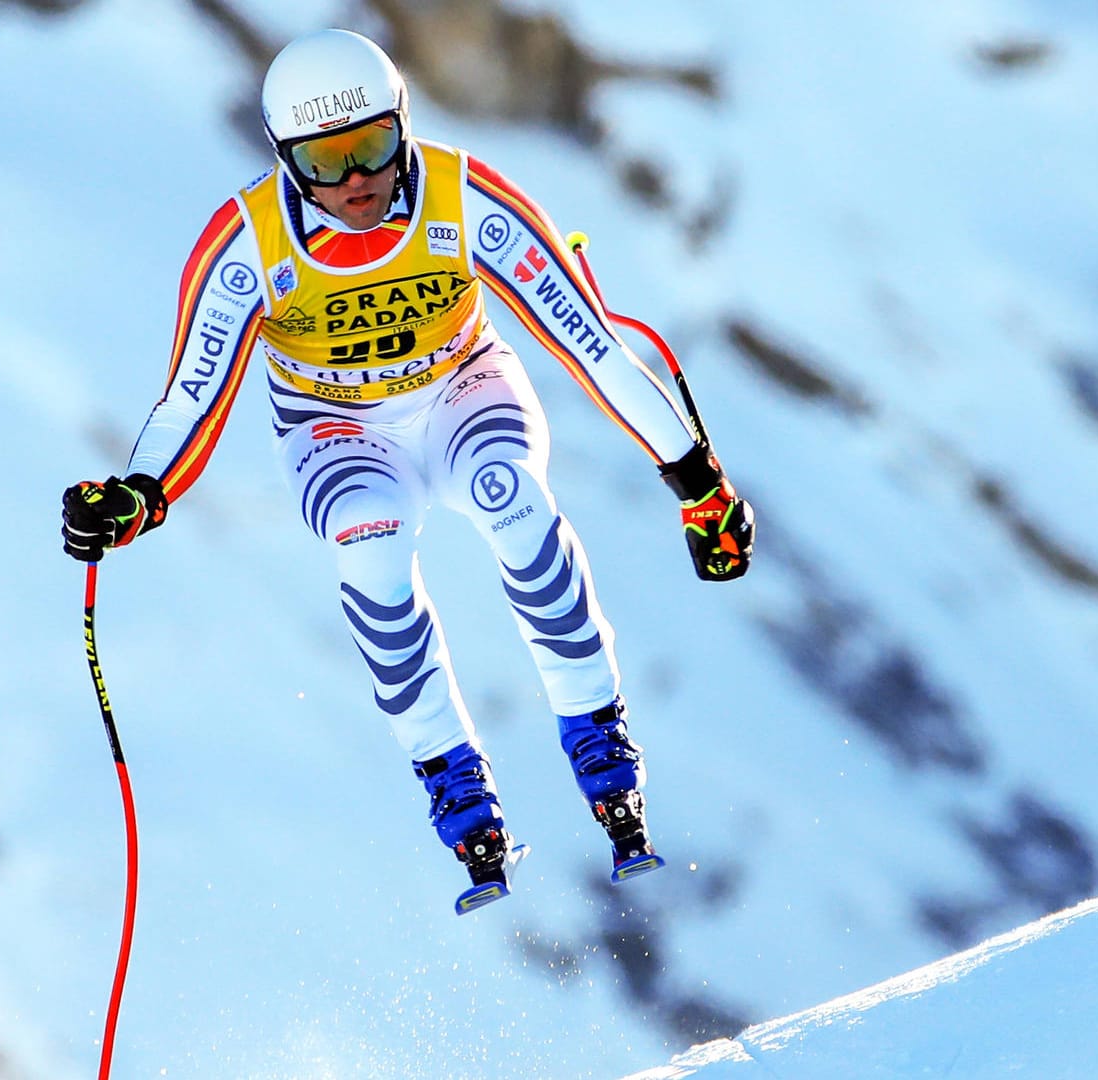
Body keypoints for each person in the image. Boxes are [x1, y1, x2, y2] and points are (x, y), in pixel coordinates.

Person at [60, 28, 754, 913]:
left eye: (375, 147)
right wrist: (137, 494)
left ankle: (601, 743)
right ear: (284, 159)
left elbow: (593, 346)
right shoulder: (248, 245)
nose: (356, 179)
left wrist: (698, 483)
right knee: (370, 546)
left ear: (404, 124)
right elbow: (193, 396)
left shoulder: (466, 203)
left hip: (463, 387)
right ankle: (453, 780)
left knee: (514, 500)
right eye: (327, 159)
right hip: (336, 428)